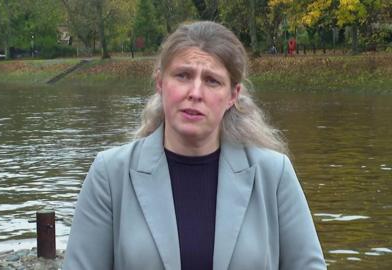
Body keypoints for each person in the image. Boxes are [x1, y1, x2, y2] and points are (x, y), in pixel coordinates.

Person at [63, 21, 326, 270]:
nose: (195, 93)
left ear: (232, 96)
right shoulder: (110, 175)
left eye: (212, 80)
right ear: (160, 83)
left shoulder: (274, 175)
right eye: (183, 75)